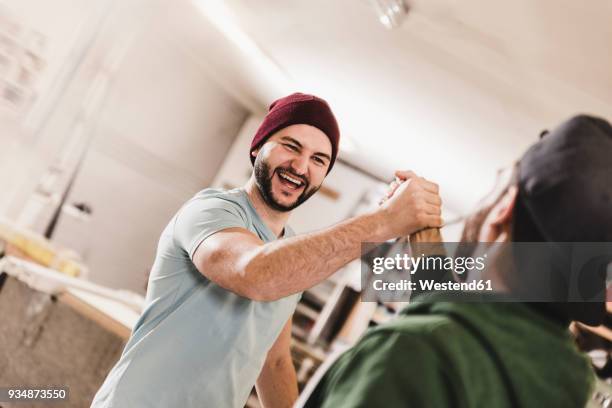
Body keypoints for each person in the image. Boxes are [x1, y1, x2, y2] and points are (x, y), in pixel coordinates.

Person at [90, 92, 443, 408]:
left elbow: (273, 361)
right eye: (291, 146)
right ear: (258, 147)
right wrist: (382, 222)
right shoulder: (211, 211)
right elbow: (253, 274)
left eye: (319, 160)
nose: (301, 167)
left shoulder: (288, 252)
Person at [302, 114, 612, 407]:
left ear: (505, 206)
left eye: (498, 184)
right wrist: (425, 243)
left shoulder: (411, 355)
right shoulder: (569, 385)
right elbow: (476, 335)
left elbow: (452, 343)